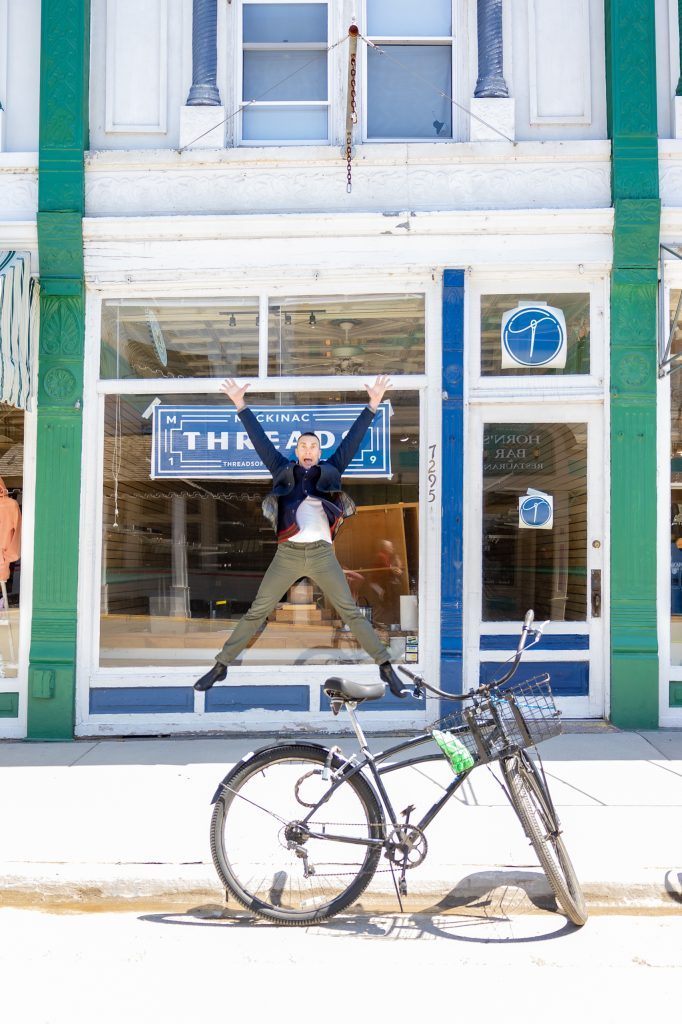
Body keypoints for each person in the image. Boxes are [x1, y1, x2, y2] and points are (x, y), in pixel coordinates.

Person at [194, 375, 409, 698]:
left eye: (313, 446)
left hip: (322, 555)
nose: (308, 450)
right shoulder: (282, 470)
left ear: (319, 452)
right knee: (258, 609)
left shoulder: (332, 470)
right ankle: (222, 664)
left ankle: (385, 667)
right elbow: (260, 441)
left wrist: (373, 404)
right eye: (302, 446)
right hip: (288, 554)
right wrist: (240, 405)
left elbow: (353, 439)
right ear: (296, 452)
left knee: (349, 611)